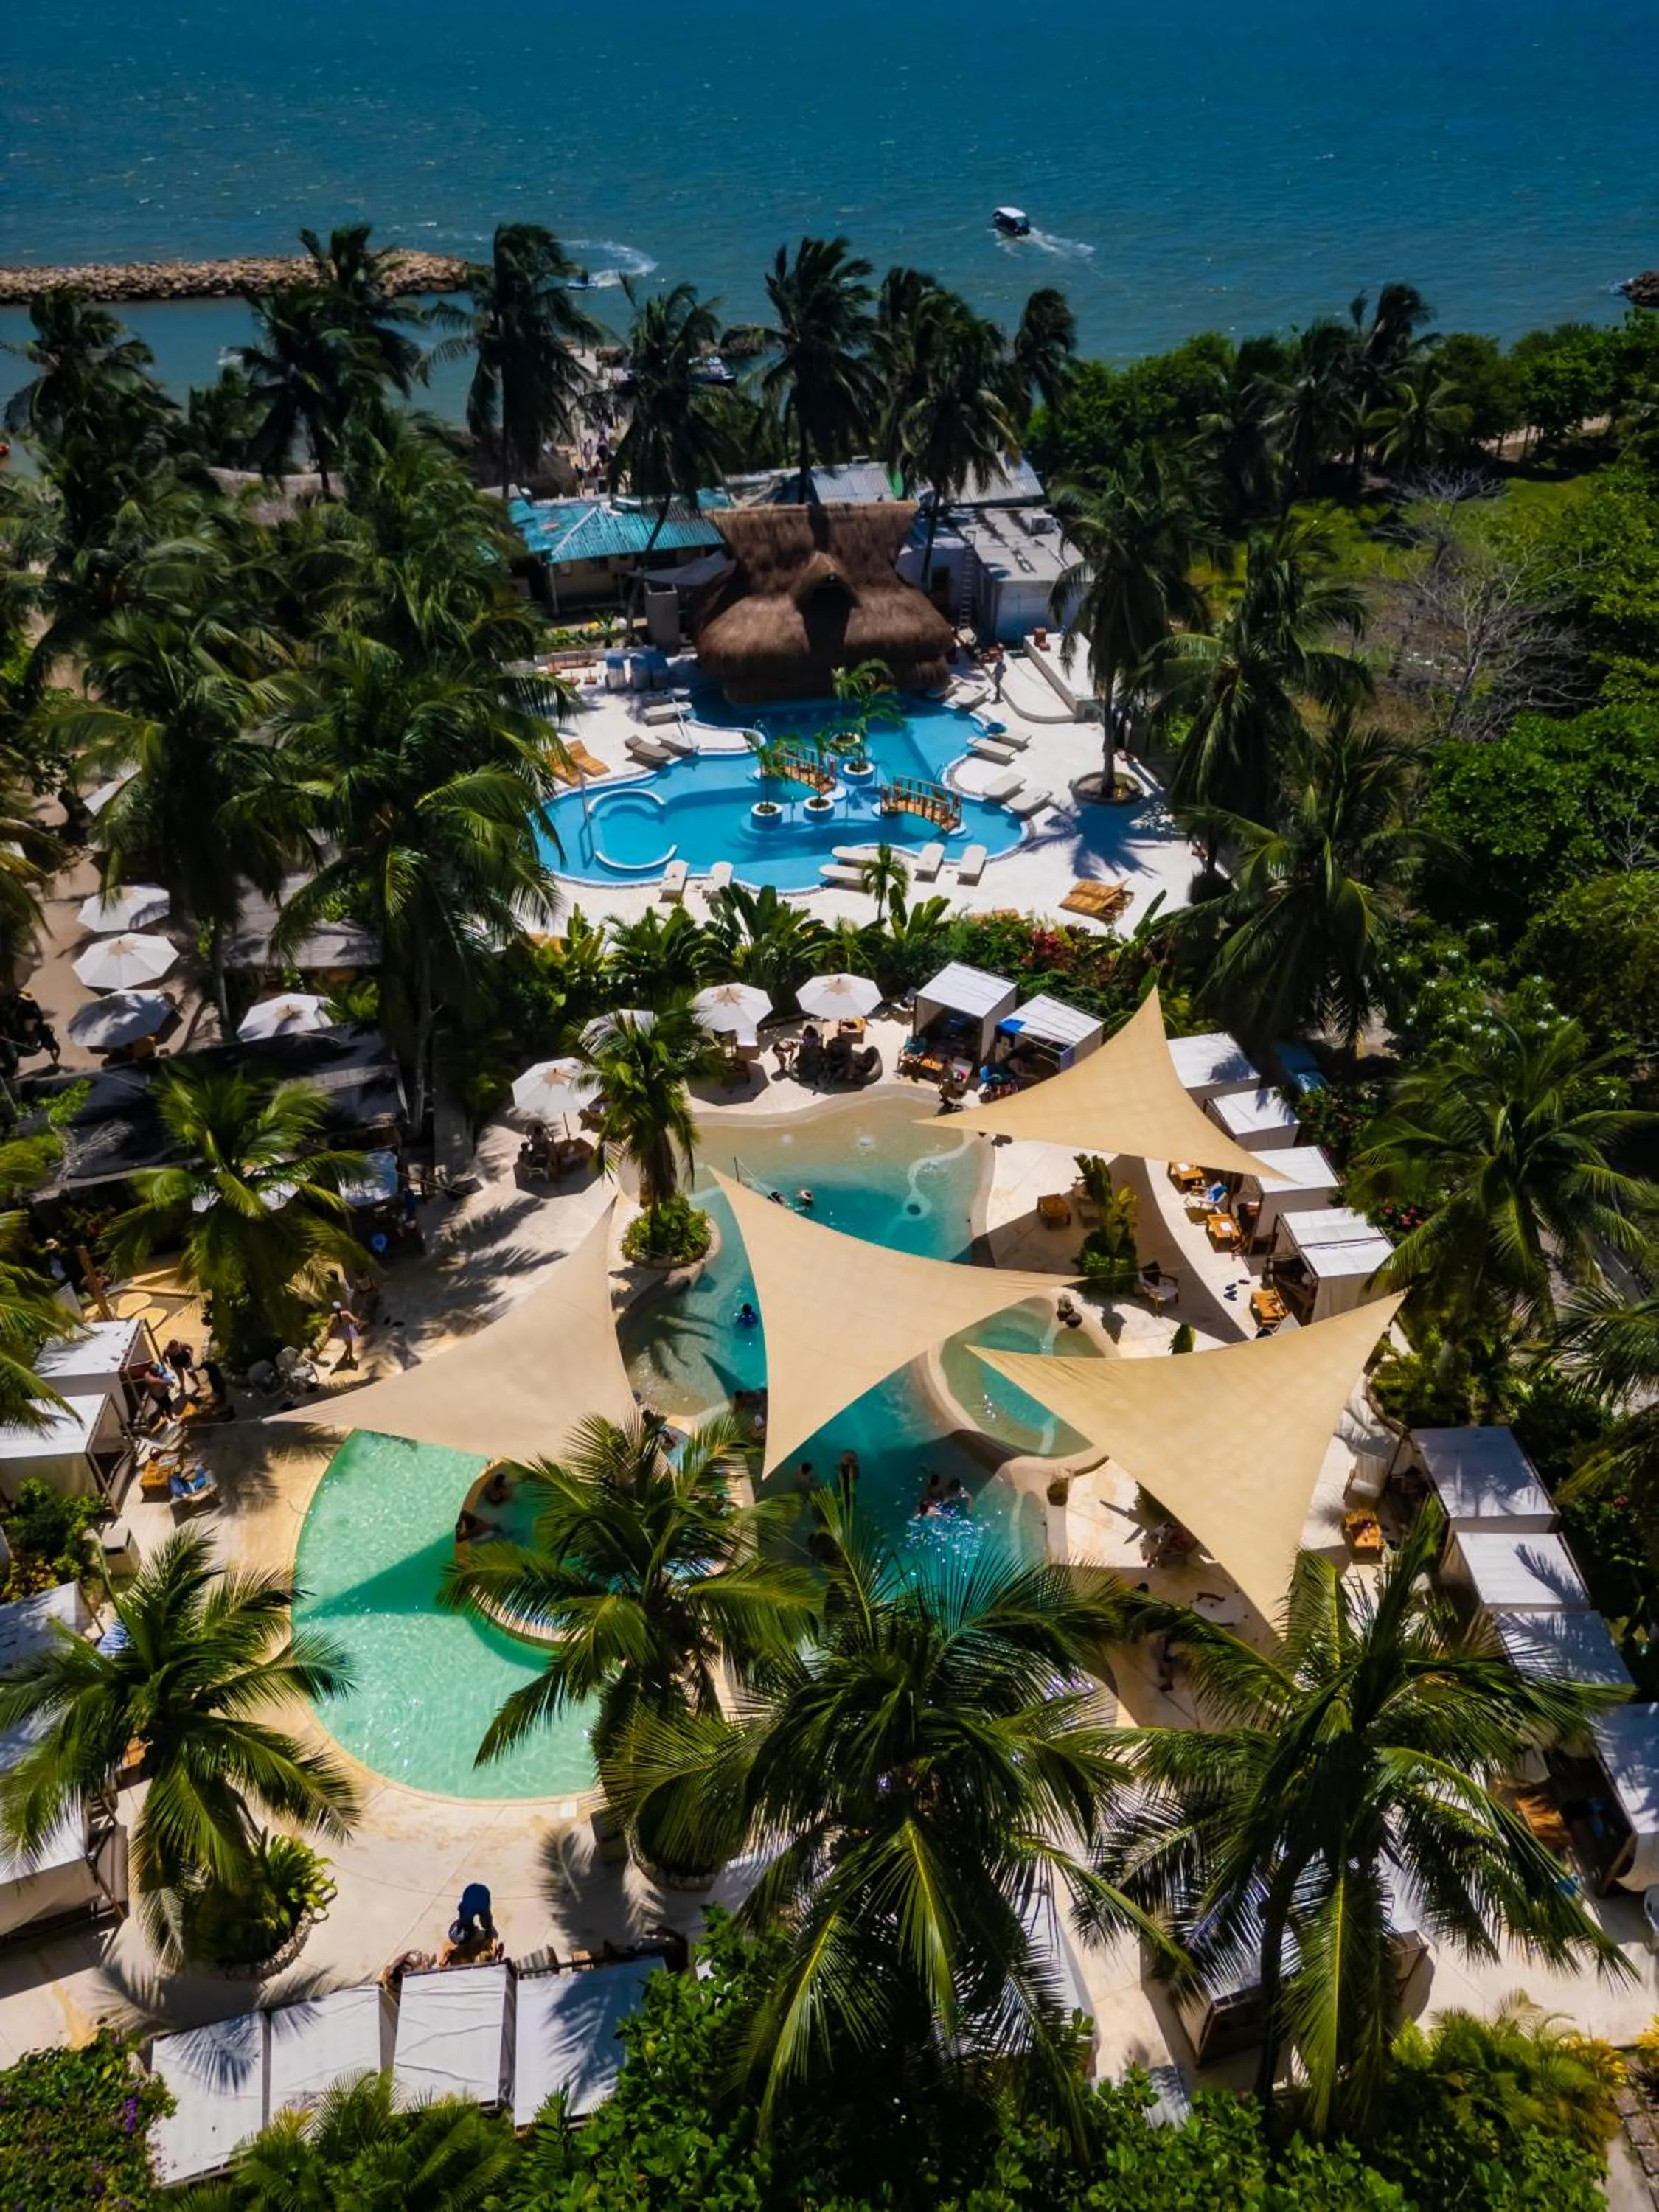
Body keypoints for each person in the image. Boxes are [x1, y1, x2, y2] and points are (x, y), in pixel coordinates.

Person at [326, 1301, 363, 1371]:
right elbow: (354, 1320)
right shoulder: (346, 1313)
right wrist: (359, 1320)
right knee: (350, 1345)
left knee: (348, 1345)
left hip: (340, 1332)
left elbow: (329, 1326)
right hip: (347, 1330)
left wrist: (331, 1332)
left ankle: (345, 1356)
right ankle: (351, 1358)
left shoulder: (332, 1316)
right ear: (340, 1307)